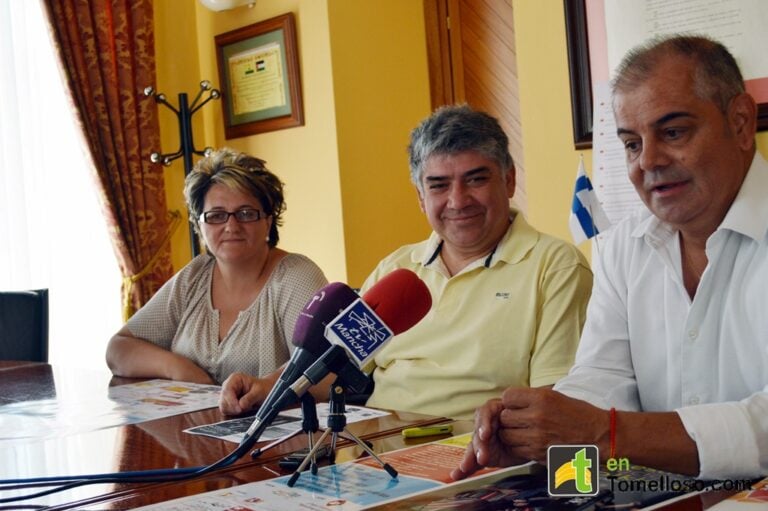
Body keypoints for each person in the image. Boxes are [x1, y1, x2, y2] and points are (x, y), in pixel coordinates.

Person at [452, 35, 768, 482]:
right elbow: (600, 382)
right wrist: (537, 443)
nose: (649, 161)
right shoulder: (622, 247)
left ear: (739, 122)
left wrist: (609, 434)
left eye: (673, 132)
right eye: (631, 144)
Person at [219, 105, 593, 419]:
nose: (458, 200)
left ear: (509, 181)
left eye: (475, 180)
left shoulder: (555, 267)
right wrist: (268, 385)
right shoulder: (398, 268)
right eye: (439, 185)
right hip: (375, 451)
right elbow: (335, 364)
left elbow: (552, 407)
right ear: (420, 196)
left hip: (479, 462)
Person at [106, 148, 328, 385]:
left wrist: (264, 388)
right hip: (192, 421)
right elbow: (118, 350)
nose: (232, 227)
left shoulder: (297, 276)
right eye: (216, 215)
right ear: (199, 225)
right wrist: (178, 367)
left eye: (246, 213)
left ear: (268, 221)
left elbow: (322, 370)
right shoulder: (195, 275)